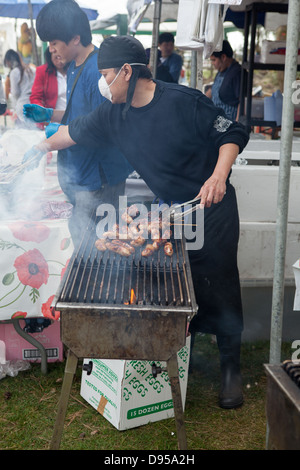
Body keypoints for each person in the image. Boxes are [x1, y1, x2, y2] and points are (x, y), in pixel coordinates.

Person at [23, 35, 249, 410]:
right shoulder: (114, 114)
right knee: (178, 287)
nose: (102, 81)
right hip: (172, 216)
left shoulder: (183, 101)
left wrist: (218, 176)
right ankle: (183, 359)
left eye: (106, 74)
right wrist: (40, 147)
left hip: (212, 208)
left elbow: (232, 132)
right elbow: (73, 132)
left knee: (221, 285)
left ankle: (230, 371)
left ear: (127, 72)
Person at [23, 0, 131, 249]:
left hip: (99, 182)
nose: (52, 50)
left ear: (74, 38)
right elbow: (80, 115)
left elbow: (99, 127)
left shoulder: (99, 72)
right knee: (84, 245)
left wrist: (48, 143)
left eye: (54, 43)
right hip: (82, 178)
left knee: (99, 250)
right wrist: (50, 115)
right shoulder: (74, 66)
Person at [30, 47, 69, 123]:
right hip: (52, 120)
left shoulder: (73, 70)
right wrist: (42, 113)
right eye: (56, 58)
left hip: (72, 118)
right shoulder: (42, 71)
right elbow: (36, 97)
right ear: (50, 57)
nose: (60, 61)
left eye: (62, 57)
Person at [206, 40, 242, 121]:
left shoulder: (237, 73)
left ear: (223, 57)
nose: (213, 63)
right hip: (218, 119)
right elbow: (212, 90)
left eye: (214, 60)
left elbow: (242, 101)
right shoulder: (221, 70)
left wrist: (237, 123)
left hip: (230, 122)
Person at [4, 49, 35, 123]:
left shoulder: (14, 72)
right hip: (35, 103)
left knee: (23, 131)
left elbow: (15, 93)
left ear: (8, 61)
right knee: (35, 131)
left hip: (22, 106)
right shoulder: (31, 69)